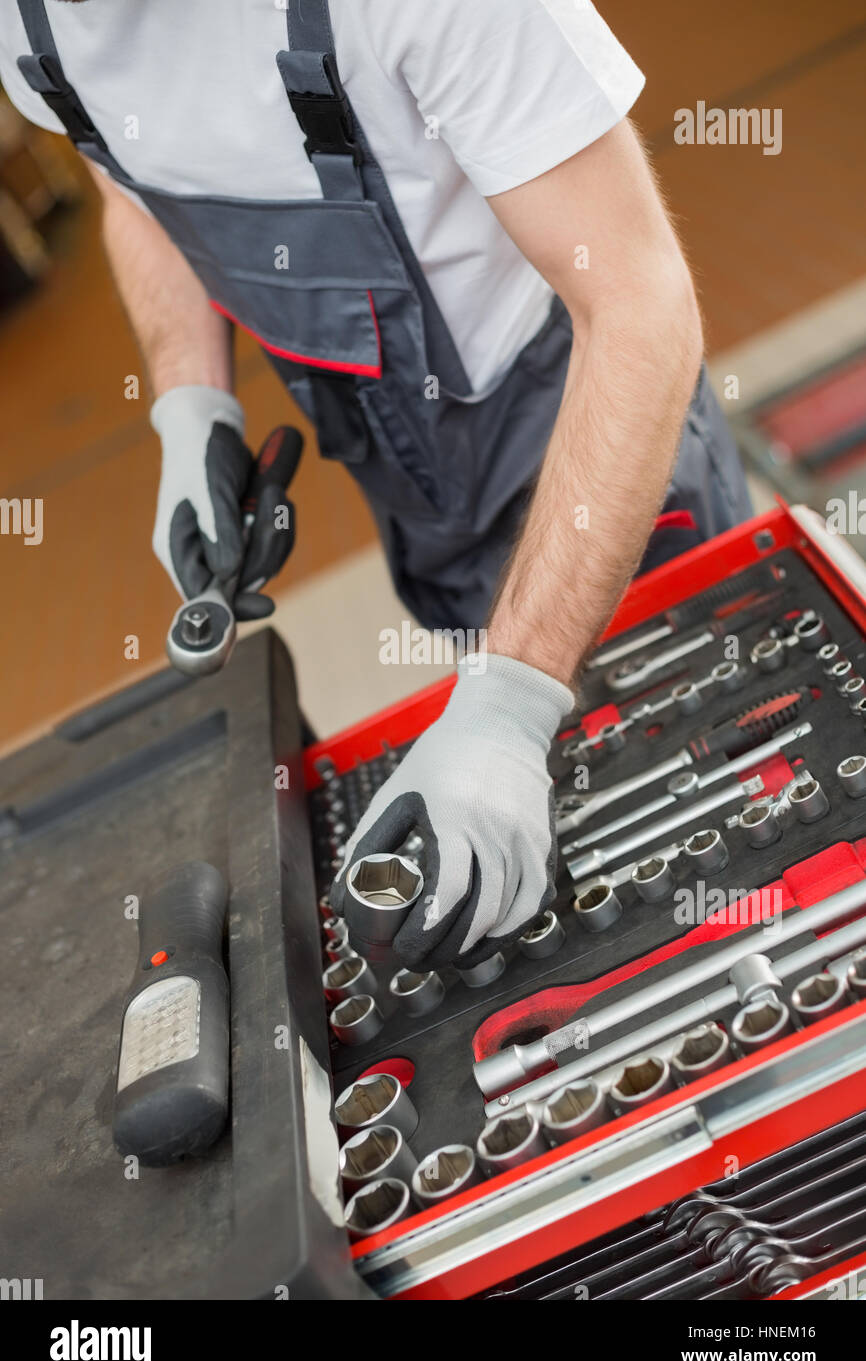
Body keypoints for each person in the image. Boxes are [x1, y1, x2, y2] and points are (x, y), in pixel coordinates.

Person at [1, 0, 751, 965]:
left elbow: (641, 306)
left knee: (713, 840)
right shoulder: (31, 29)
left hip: (591, 442)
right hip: (412, 491)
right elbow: (132, 193)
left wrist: (512, 700)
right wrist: (192, 409)